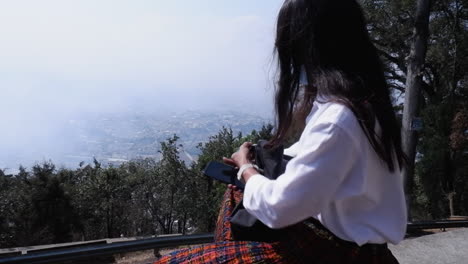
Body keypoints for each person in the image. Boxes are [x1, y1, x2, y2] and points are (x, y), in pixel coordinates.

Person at [155, 0, 407, 263]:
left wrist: (246, 169)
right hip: (350, 245)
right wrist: (258, 165)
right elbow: (322, 165)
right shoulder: (365, 105)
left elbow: (280, 207)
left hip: (335, 252)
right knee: (240, 192)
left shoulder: (338, 119)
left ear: (307, 48)